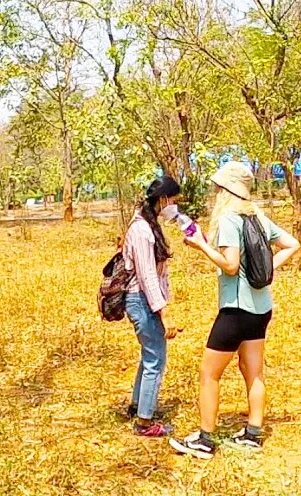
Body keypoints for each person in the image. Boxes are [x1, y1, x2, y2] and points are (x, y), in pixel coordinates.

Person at [170, 161, 300, 459]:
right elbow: (291, 244)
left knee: (208, 374)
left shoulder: (230, 219)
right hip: (261, 308)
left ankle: (204, 440)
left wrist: (201, 245)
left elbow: (230, 266)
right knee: (253, 371)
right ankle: (253, 435)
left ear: (226, 190)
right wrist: (267, 270)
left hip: (236, 310)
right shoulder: (257, 217)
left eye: (218, 188)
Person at [122, 176, 184, 438]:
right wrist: (164, 314)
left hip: (144, 301)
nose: (175, 206)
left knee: (149, 356)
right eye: (174, 201)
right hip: (142, 301)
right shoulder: (142, 231)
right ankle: (144, 423)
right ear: (163, 200)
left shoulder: (148, 226)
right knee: (155, 360)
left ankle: (138, 406)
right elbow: (147, 276)